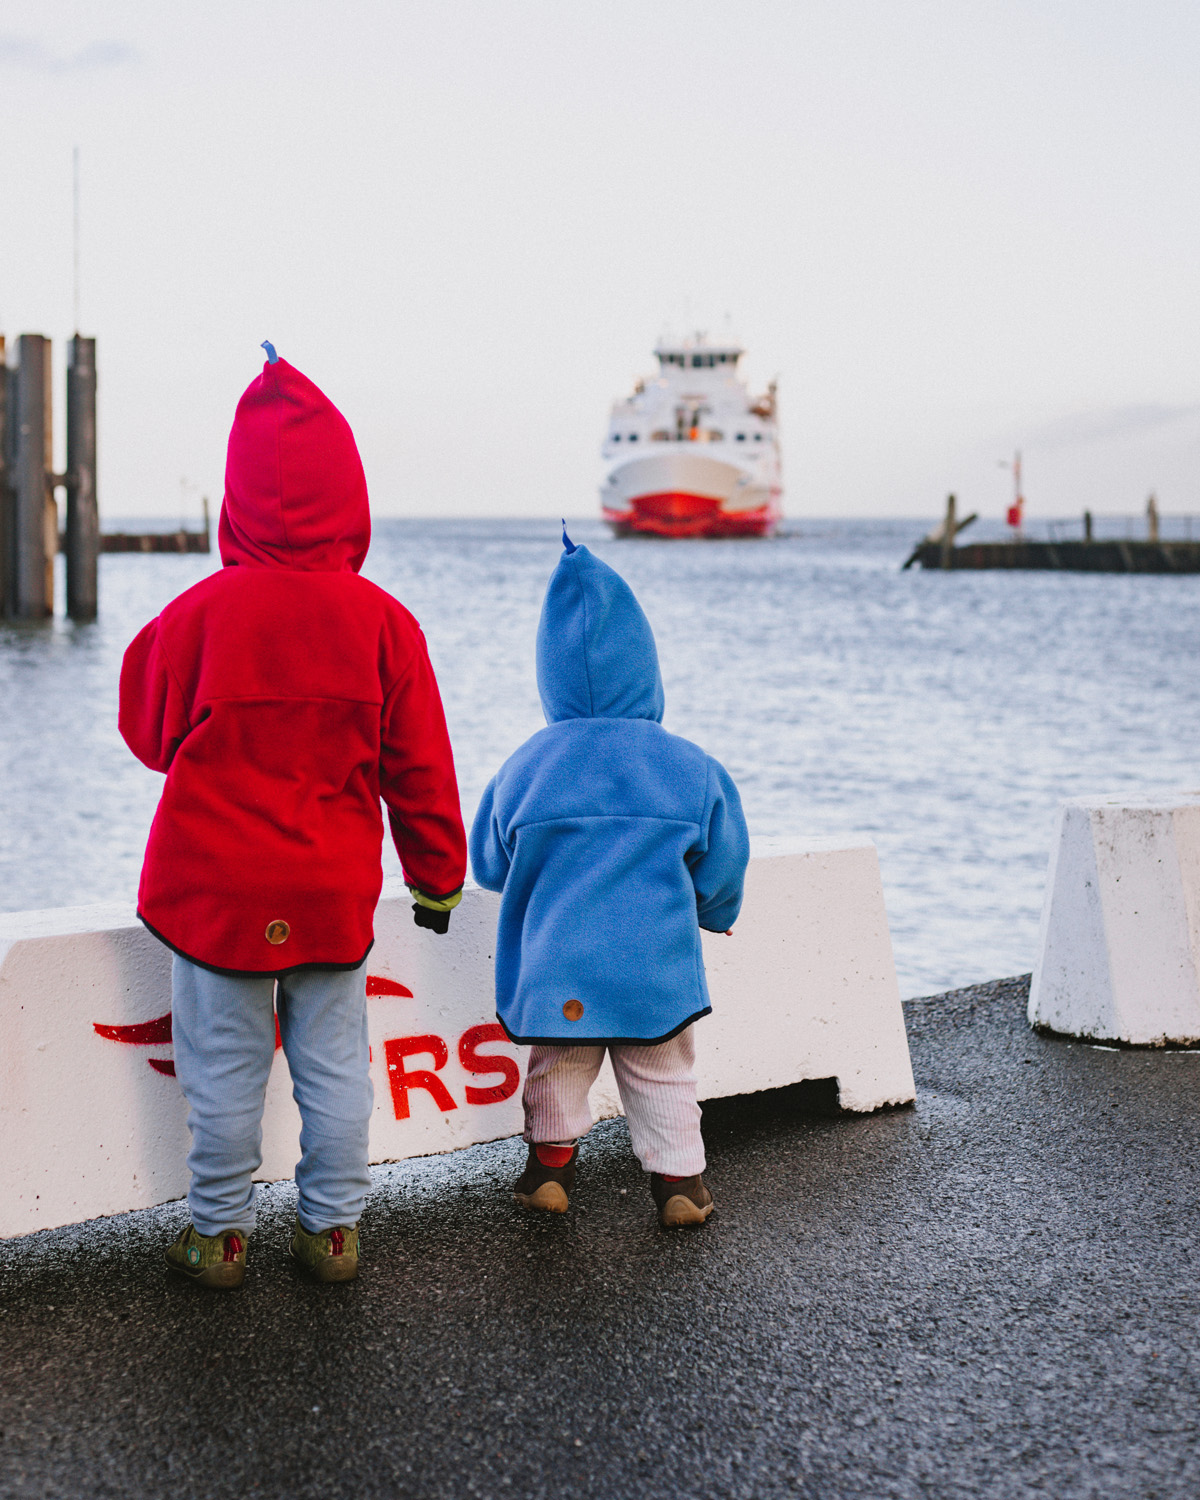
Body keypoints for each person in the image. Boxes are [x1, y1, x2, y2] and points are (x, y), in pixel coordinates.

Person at [119, 344, 466, 1287]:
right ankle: (335, 1230)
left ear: (234, 500)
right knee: (335, 1069)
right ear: (350, 498)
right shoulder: (385, 623)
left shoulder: (196, 616)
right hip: (328, 895)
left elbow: (148, 737)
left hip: (216, 895)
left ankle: (221, 1236)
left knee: (224, 1070)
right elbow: (421, 772)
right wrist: (437, 881)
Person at [469, 528, 749, 1227]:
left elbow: (490, 864)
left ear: (550, 676)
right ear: (646, 669)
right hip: (654, 967)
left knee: (557, 1066)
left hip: (560, 968)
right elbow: (723, 860)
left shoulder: (526, 767)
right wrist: (714, 909)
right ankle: (681, 1185)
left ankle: (547, 1174)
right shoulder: (689, 765)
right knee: (662, 1074)